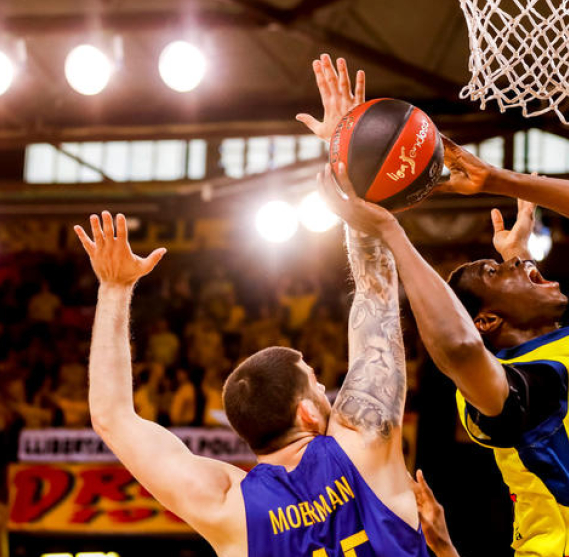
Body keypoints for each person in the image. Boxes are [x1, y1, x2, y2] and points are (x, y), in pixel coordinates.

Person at [74, 55, 424, 557]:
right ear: (306, 410)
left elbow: (111, 417)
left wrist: (114, 288)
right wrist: (347, 158)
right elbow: (377, 291)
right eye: (318, 383)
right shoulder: (362, 440)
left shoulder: (226, 505)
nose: (328, 391)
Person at [320, 131, 569, 557]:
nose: (519, 261)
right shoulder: (527, 386)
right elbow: (459, 347)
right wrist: (390, 230)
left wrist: (496, 179)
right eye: (497, 273)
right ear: (488, 320)